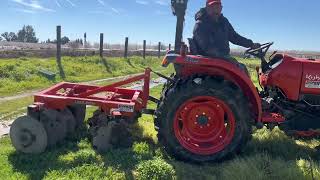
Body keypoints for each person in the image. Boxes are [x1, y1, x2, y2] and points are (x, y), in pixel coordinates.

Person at [192, 0, 260, 75]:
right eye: (214, 7)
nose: (216, 9)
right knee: (240, 70)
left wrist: (251, 44)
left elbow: (234, 37)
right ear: (208, 8)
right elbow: (207, 48)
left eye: (219, 7)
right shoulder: (200, 25)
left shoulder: (224, 22)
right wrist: (226, 59)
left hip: (222, 57)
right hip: (211, 59)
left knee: (242, 68)